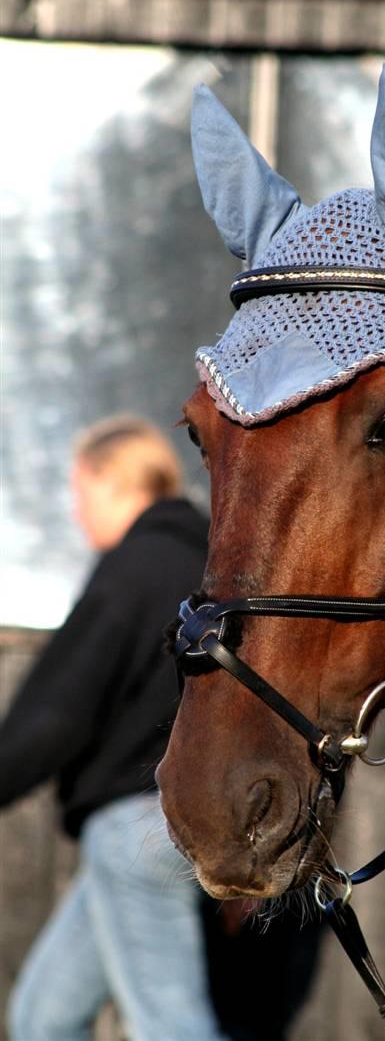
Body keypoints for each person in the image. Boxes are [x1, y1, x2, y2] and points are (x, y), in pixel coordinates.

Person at [0, 415, 227, 1041]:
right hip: (180, 824)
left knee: (173, 1027)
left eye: (79, 493)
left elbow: (56, 711)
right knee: (42, 1018)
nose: (77, 514)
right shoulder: (211, 565)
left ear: (113, 481)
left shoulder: (132, 569)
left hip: (135, 830)